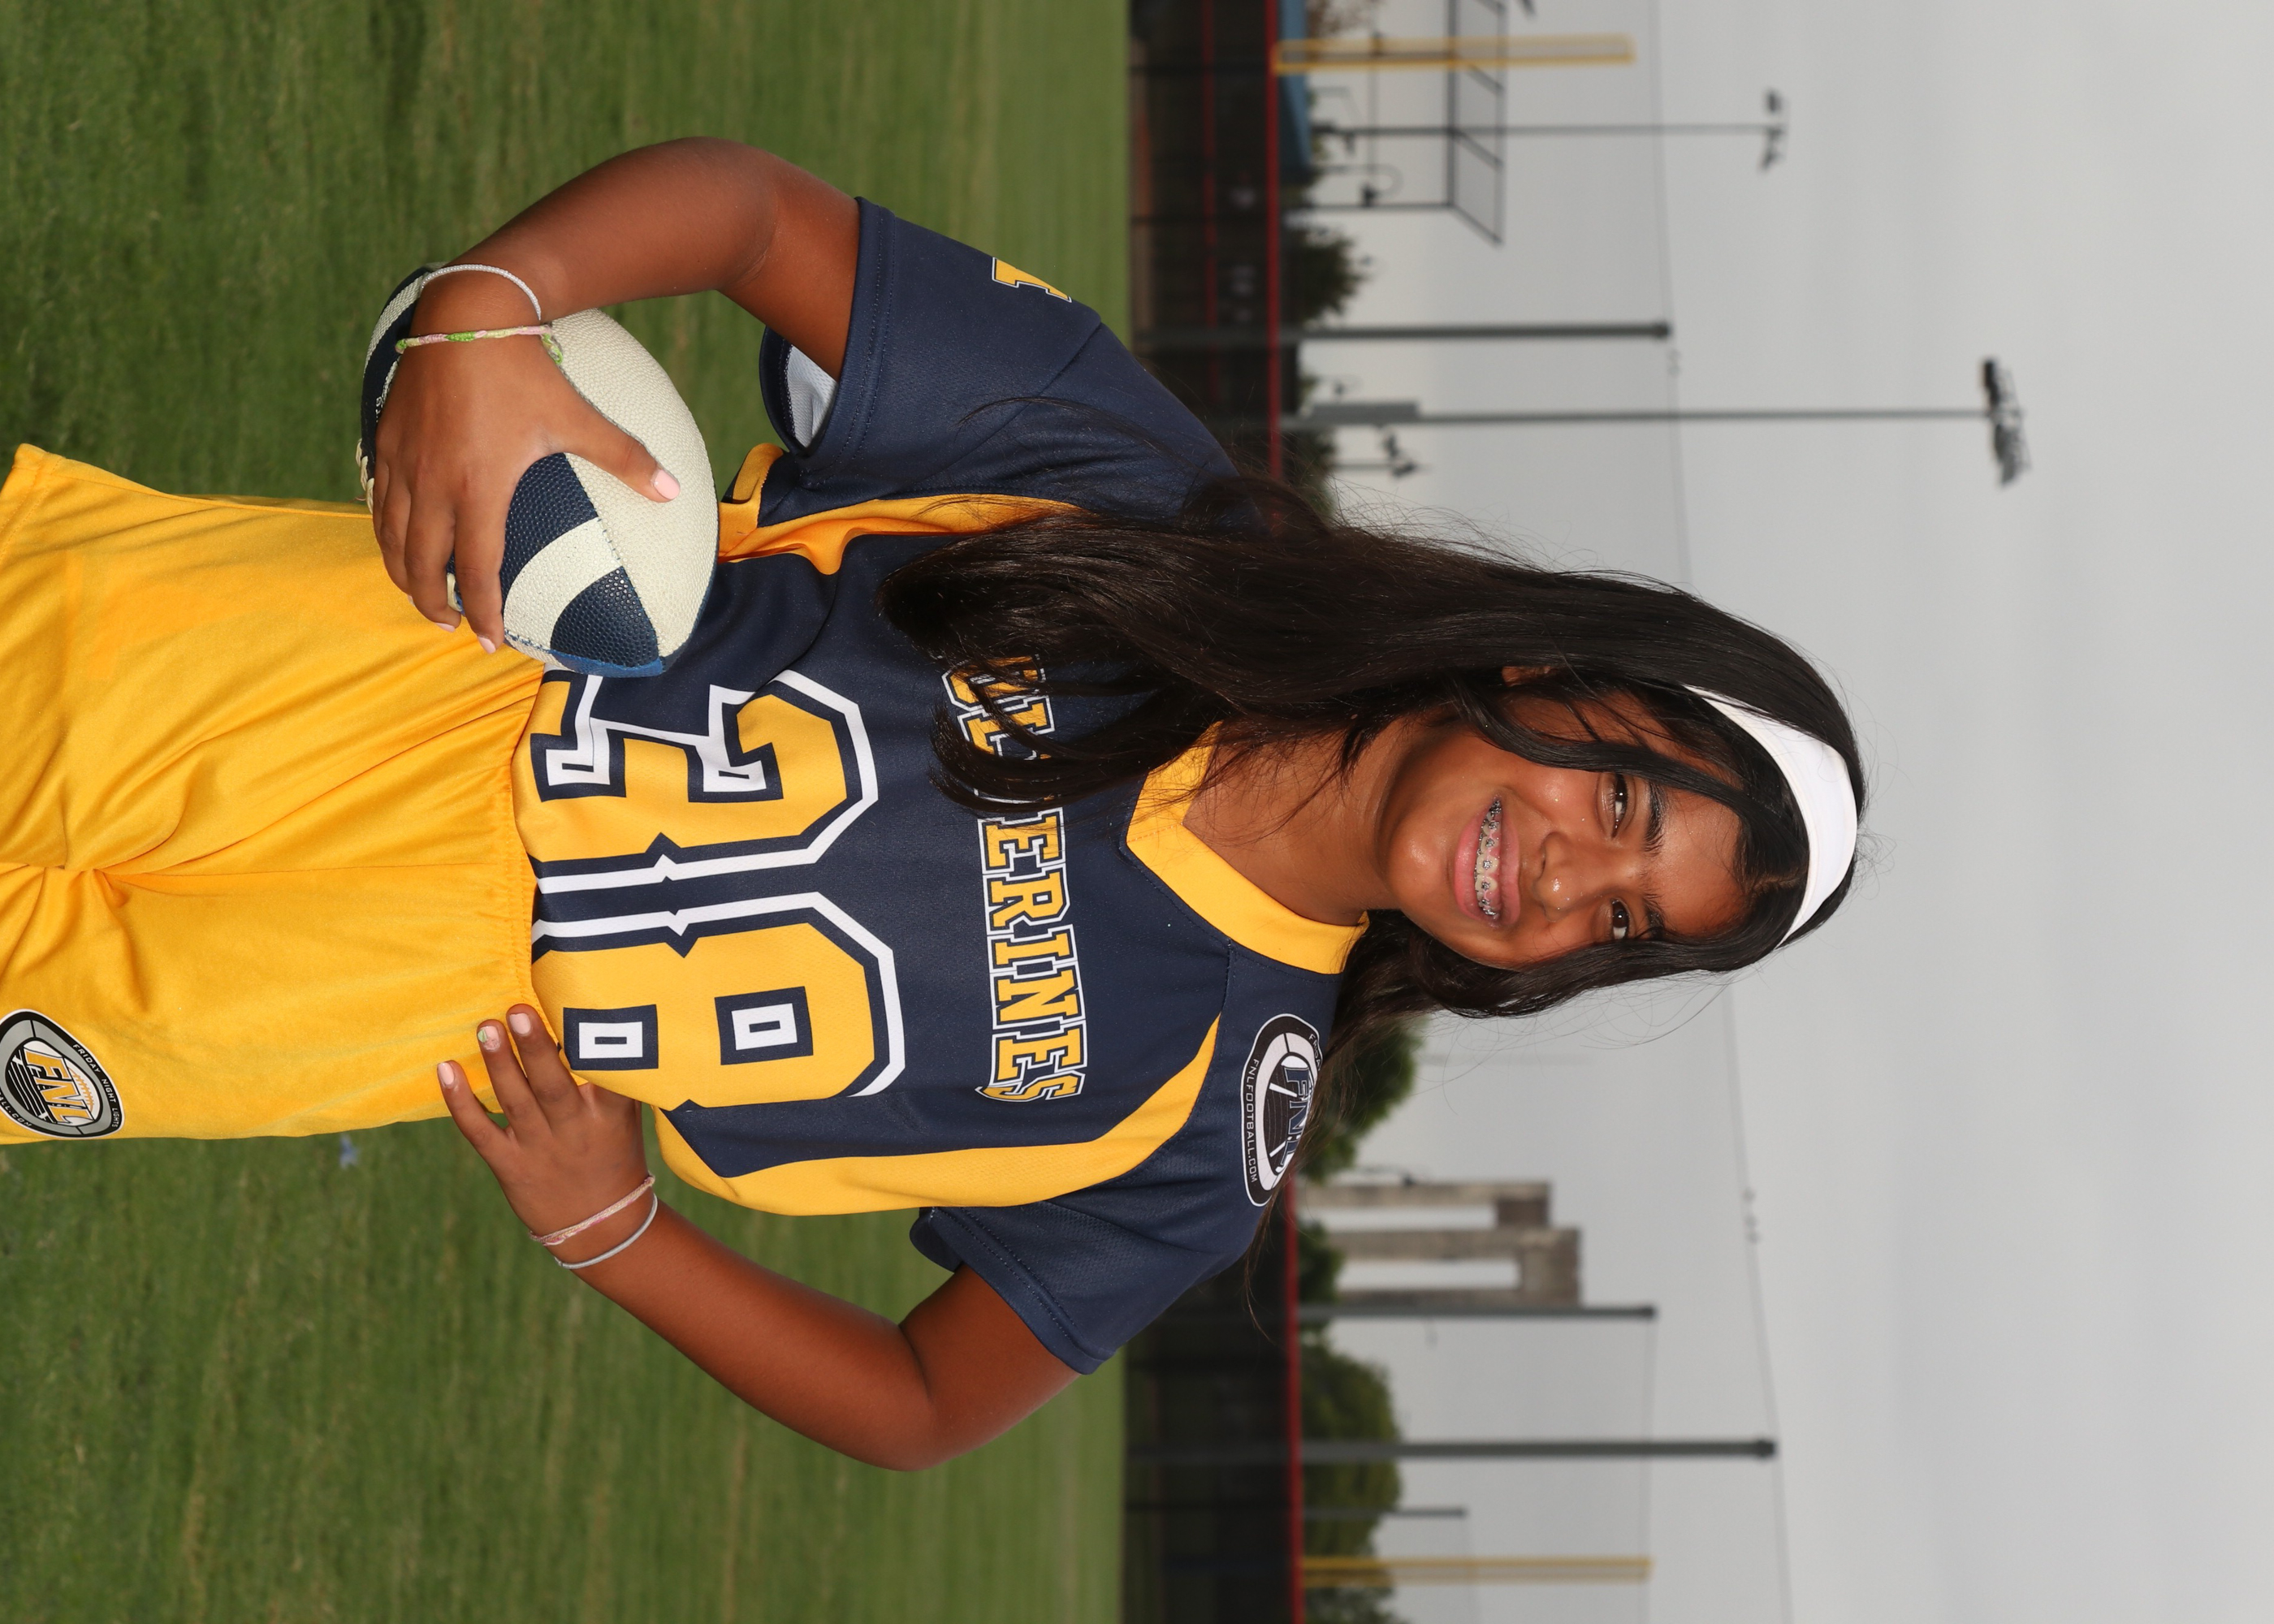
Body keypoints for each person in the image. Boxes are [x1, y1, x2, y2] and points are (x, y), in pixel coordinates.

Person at [0, 139, 1863, 1469]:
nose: (1564, 877)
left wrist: (615, 1235)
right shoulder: (1139, 496)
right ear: (1555, 670)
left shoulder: (1208, 1119)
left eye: (1623, 922)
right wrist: (491, 313)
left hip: (387, 1010)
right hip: (376, 665)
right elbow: (751, 212)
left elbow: (924, 1404)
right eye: (1618, 800)